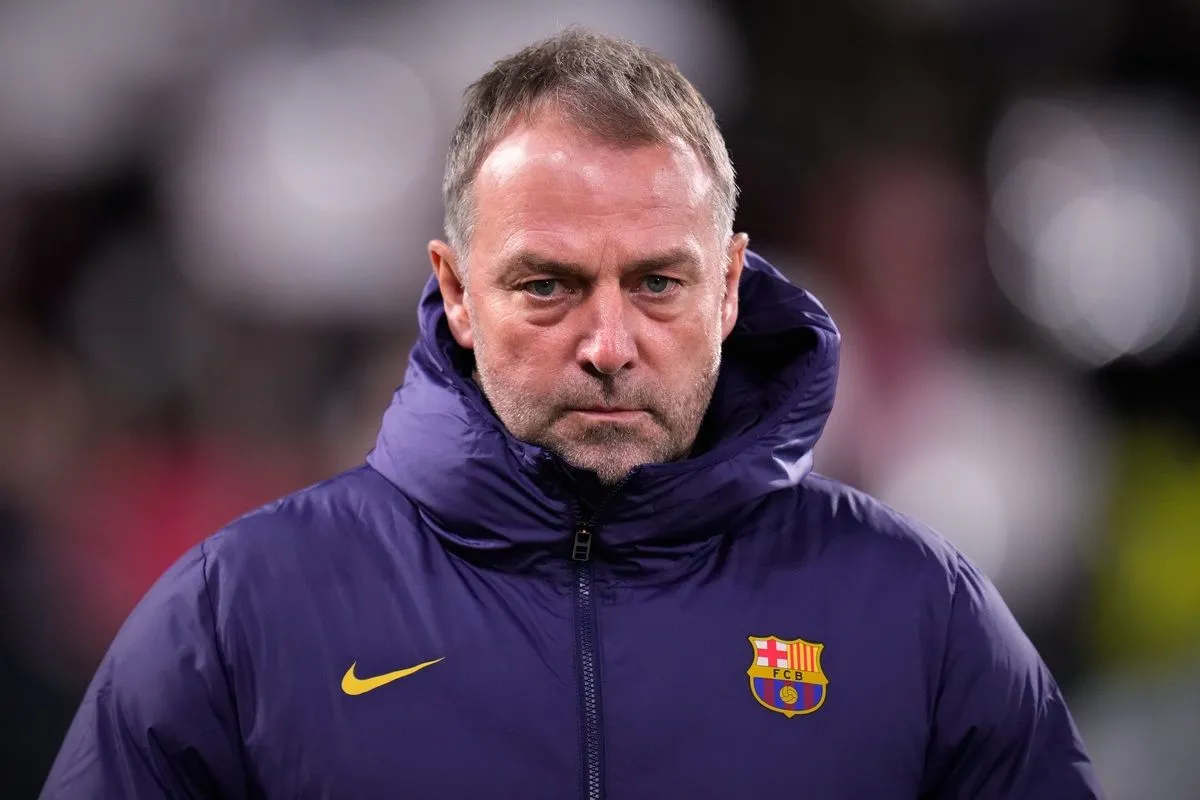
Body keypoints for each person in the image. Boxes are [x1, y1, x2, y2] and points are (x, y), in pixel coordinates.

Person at [40, 28, 1102, 799]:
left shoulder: (916, 609)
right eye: (547, 285)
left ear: (731, 288)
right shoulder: (240, 614)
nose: (608, 345)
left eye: (658, 283)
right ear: (456, 290)